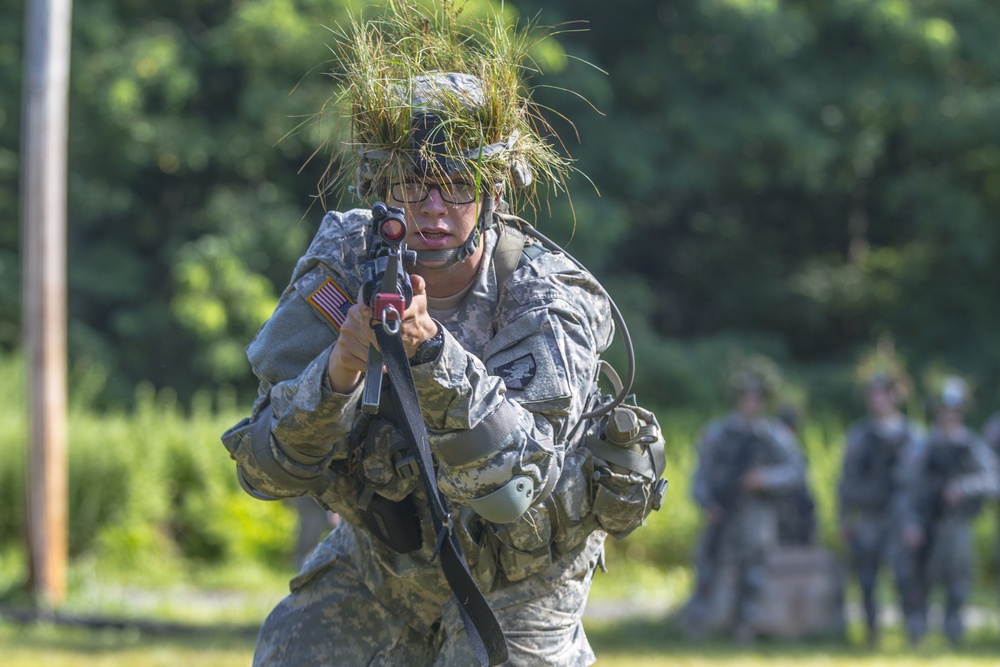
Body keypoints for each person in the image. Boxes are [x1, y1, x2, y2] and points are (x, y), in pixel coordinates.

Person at [221, 4, 665, 666]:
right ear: (381, 187)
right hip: (385, 565)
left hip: (519, 580)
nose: (432, 209)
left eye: (457, 184)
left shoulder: (547, 296)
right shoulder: (343, 264)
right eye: (412, 183)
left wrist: (431, 354)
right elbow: (263, 467)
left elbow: (518, 484)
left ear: (494, 193)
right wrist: (338, 371)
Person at [680, 358, 805, 643]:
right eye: (746, 397)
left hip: (756, 515)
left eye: (756, 398)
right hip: (721, 512)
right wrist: (706, 503)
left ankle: (743, 630)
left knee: (753, 574)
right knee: (707, 570)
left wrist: (764, 479)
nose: (751, 403)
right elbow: (700, 475)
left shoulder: (774, 436)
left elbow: (796, 471)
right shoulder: (718, 433)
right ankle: (696, 628)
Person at [895, 375, 1000, 646]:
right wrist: (910, 523)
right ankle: (916, 635)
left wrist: (962, 488)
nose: (949, 415)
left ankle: (953, 636)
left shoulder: (971, 445)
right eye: (944, 409)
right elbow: (906, 488)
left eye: (954, 410)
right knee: (918, 582)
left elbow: (992, 480)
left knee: (958, 584)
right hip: (925, 523)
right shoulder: (923, 444)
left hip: (956, 525)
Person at [837, 372, 921, 647]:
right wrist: (844, 519)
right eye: (874, 394)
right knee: (867, 579)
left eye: (884, 393)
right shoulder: (859, 436)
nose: (879, 399)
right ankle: (871, 634)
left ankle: (913, 633)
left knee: (904, 577)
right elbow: (846, 482)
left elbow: (921, 484)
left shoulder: (912, 435)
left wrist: (915, 522)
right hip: (868, 517)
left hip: (900, 515)